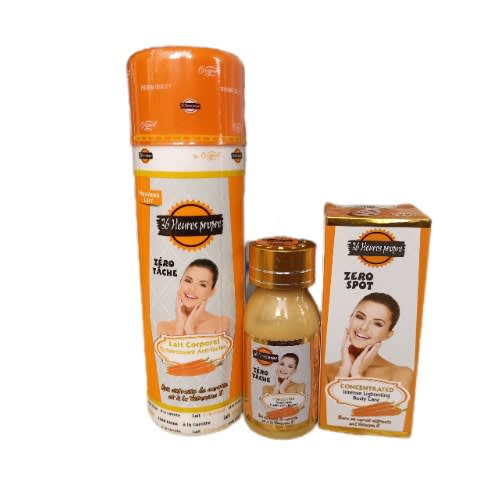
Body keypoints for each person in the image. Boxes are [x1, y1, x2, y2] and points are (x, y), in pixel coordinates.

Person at [325, 292, 413, 393]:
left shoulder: (401, 374)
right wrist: (344, 370)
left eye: (377, 324)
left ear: (388, 334)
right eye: (360, 317)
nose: (364, 327)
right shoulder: (325, 370)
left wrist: (357, 374)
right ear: (351, 318)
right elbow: (331, 403)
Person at [157, 259, 230, 336]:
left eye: (202, 285)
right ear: (180, 282)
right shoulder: (164, 327)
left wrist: (189, 328)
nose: (192, 289)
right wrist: (180, 327)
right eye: (188, 281)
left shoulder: (220, 323)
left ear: (212, 292)